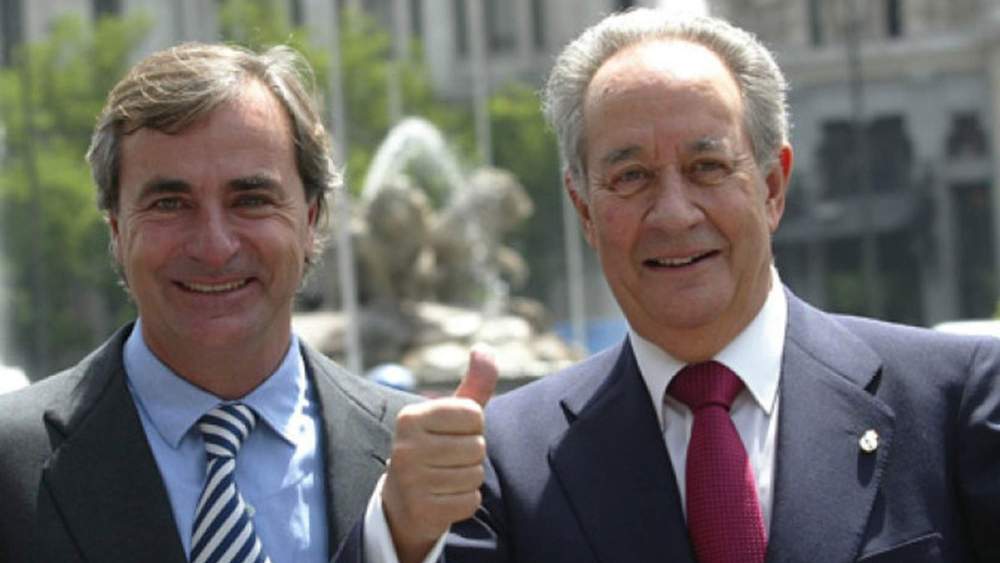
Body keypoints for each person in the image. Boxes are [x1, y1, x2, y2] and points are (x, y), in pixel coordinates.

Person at [340, 8, 1000, 563]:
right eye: (631, 177)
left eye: (707, 166)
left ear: (772, 186)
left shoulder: (952, 404)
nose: (675, 213)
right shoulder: (503, 462)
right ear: (585, 210)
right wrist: (399, 533)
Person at [0, 42, 422, 563]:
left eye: (251, 200)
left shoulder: (428, 463)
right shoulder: (9, 462)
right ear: (116, 229)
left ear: (311, 221)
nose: (215, 246)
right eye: (170, 204)